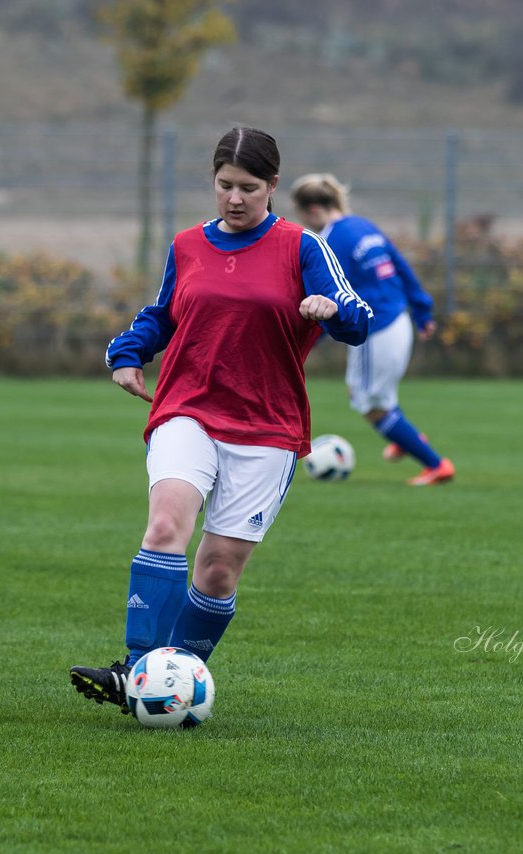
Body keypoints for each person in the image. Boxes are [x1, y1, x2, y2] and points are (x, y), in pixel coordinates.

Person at [69, 127, 373, 714]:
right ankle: (136, 672)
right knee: (165, 528)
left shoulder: (303, 248)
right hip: (189, 408)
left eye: (249, 188)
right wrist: (127, 353)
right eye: (225, 186)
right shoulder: (188, 245)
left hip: (266, 425)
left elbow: (359, 319)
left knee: (218, 571)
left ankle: (172, 678)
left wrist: (330, 309)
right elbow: (161, 314)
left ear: (273, 187)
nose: (235, 199)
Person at [290, 173, 455, 487]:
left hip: (375, 329)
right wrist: (422, 310)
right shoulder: (363, 226)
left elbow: (333, 298)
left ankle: (435, 464)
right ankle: (406, 437)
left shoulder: (331, 240)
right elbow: (400, 267)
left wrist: (304, 344)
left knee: (367, 402)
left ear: (311, 210)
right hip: (400, 321)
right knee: (378, 396)